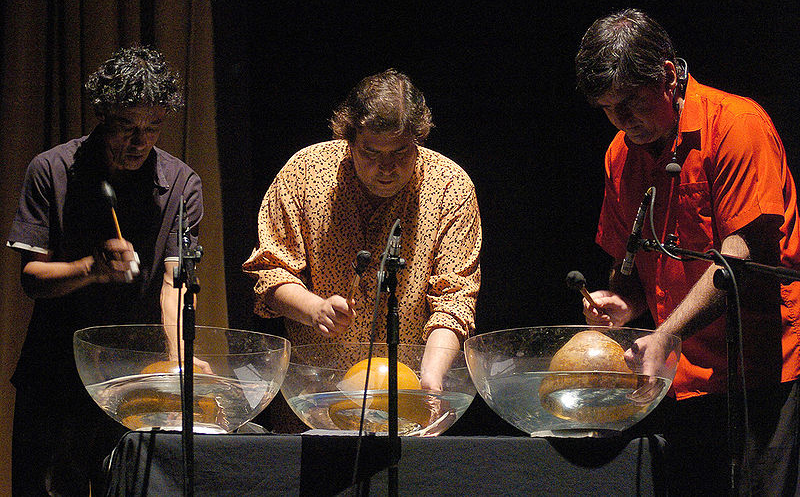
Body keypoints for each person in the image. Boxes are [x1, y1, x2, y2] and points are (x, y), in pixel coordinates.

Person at [576, 9, 800, 495]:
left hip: (761, 374)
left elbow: (740, 257)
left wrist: (665, 334)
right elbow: (629, 262)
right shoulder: (620, 154)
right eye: (611, 110)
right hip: (681, 382)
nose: (625, 122)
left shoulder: (738, 125)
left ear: (668, 76)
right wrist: (625, 303)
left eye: (633, 103)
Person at [6, 46, 203, 496]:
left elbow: (176, 280)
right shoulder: (51, 170)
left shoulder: (181, 184)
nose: (139, 142)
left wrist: (176, 361)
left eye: (152, 128)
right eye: (125, 127)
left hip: (136, 378)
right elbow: (31, 278)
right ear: (102, 113)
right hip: (56, 375)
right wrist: (91, 267)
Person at [242, 69, 481, 430]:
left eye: (400, 152)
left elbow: (455, 299)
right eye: (370, 152)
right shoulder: (304, 173)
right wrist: (315, 308)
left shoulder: (450, 186)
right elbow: (270, 272)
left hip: (409, 402)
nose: (386, 168)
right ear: (348, 139)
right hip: (313, 400)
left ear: (418, 139)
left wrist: (430, 379)